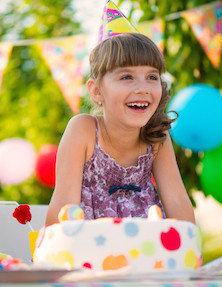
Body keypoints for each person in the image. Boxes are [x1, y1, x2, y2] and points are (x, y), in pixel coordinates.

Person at [45, 33, 195, 225]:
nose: (143, 88)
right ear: (97, 91)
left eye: (151, 76)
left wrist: (191, 251)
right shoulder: (83, 130)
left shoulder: (157, 135)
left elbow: (178, 202)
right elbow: (63, 207)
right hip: (87, 248)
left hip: (147, 248)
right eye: (126, 76)